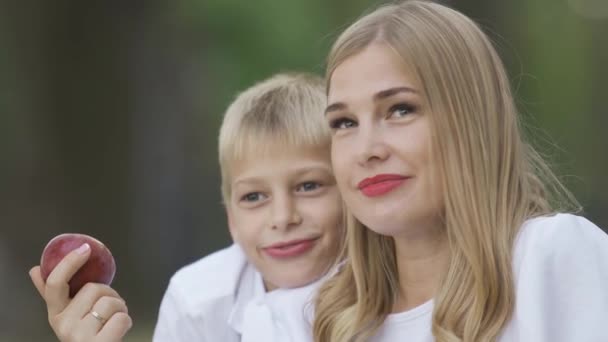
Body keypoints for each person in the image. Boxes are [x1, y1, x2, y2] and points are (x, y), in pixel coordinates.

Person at [311, 1, 608, 341]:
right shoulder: (332, 316)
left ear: (471, 119)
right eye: (344, 122)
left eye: (400, 110)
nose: (367, 150)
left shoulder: (548, 258)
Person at [30, 72, 343, 342]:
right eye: (254, 197)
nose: (283, 217)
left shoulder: (388, 286)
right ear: (231, 216)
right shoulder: (197, 299)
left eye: (309, 186)